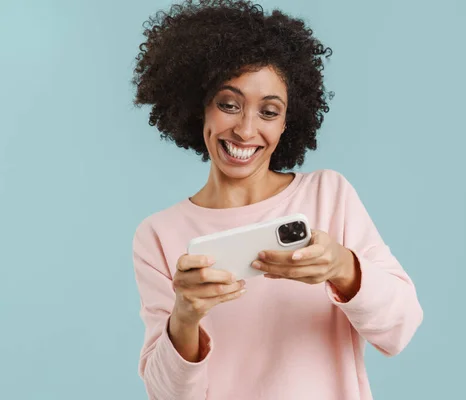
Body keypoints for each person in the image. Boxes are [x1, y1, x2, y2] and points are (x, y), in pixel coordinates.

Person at [130, 1, 423, 399]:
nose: (246, 129)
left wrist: (342, 267)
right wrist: (184, 316)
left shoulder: (327, 196)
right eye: (228, 104)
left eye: (268, 112)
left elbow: (400, 328)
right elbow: (168, 395)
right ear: (200, 106)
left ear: (288, 122)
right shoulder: (159, 235)